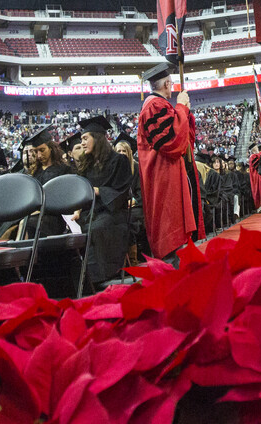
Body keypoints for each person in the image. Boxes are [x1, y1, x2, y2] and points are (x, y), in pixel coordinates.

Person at [138, 63, 202, 260]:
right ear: (166, 83)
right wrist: (181, 106)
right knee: (171, 233)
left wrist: (184, 113)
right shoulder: (154, 106)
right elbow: (172, 142)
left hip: (169, 175)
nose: (173, 87)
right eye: (171, 83)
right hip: (163, 178)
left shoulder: (157, 105)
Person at [75, 115, 133, 284]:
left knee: (96, 228)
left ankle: (96, 277)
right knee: (69, 233)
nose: (83, 143)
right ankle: (77, 278)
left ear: (97, 138)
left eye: (86, 138)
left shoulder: (119, 161)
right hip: (90, 213)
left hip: (113, 214)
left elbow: (122, 194)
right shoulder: (87, 164)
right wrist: (77, 211)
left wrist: (98, 191)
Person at [115, 130, 149, 263]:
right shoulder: (113, 170)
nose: (121, 154)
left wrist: (131, 202)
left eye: (124, 151)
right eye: (118, 151)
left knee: (129, 219)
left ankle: (132, 260)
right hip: (120, 207)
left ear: (129, 153)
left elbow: (141, 194)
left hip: (136, 206)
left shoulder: (136, 169)